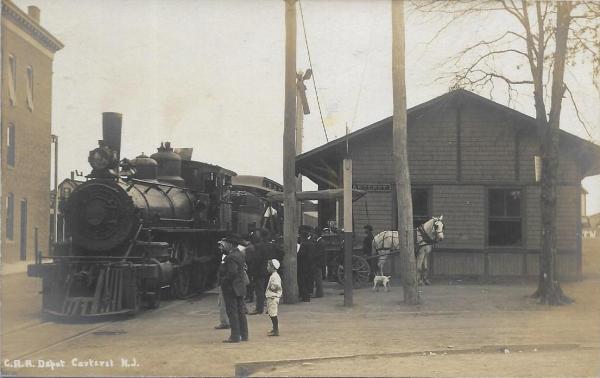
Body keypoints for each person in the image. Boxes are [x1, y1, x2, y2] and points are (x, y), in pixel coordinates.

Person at [218, 237, 248, 343]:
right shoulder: (240, 254)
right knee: (240, 312)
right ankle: (244, 335)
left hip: (231, 288)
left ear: (230, 245)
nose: (223, 245)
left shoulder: (230, 257)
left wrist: (223, 281)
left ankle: (235, 336)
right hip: (239, 287)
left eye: (225, 243)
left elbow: (232, 273)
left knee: (232, 312)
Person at [248, 230, 268, 315]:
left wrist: (253, 271)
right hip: (263, 270)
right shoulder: (264, 245)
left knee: (259, 290)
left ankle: (259, 308)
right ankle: (261, 307)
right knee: (261, 289)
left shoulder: (259, 247)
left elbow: (257, 260)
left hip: (258, 272)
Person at [297, 226, 314, 302]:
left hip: (303, 265)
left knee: (302, 281)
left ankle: (305, 296)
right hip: (310, 264)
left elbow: (301, 254)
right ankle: (306, 296)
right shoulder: (311, 243)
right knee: (308, 281)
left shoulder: (303, 244)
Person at [265, 259, 282, 336]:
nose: (267, 267)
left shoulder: (275, 276)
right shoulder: (273, 275)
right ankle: (274, 329)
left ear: (273, 267)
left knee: (273, 314)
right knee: (271, 314)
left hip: (273, 297)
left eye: (268, 266)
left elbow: (276, 286)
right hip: (271, 297)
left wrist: (272, 287)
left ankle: (276, 330)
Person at [214, 253, 230, 330]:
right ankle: (227, 322)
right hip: (227, 285)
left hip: (225, 285)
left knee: (222, 303)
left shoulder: (227, 261)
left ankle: (225, 322)